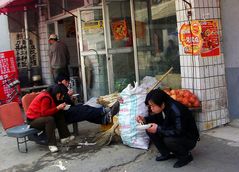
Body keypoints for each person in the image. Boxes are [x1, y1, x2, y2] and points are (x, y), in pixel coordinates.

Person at [136, 89, 199, 168]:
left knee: (169, 140)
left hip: (188, 138)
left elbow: (179, 131)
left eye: (153, 106)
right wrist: (145, 119)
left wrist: (158, 129)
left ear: (162, 104)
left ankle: (185, 156)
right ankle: (166, 153)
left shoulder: (176, 110)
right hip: (174, 131)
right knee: (150, 128)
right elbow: (156, 118)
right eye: (150, 106)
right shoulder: (164, 106)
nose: (151, 108)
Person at [26, 85, 74, 153]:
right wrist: (57, 108)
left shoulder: (51, 96)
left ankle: (64, 136)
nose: (61, 96)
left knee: (59, 113)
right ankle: (51, 144)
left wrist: (59, 108)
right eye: (61, 95)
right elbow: (44, 113)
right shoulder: (46, 98)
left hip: (40, 117)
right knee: (49, 119)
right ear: (56, 93)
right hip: (32, 120)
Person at [55, 74, 119, 125]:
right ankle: (105, 111)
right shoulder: (56, 89)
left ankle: (105, 119)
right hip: (62, 114)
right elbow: (59, 102)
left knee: (85, 110)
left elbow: (66, 102)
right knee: (84, 110)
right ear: (59, 82)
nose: (67, 84)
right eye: (66, 82)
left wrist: (71, 98)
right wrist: (68, 96)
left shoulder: (61, 88)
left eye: (68, 82)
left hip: (65, 110)